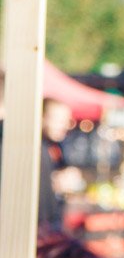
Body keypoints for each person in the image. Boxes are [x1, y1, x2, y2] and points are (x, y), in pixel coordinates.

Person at [39, 99, 78, 232]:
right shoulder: (35, 148)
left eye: (66, 121)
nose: (65, 126)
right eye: (58, 120)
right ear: (41, 118)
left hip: (51, 225)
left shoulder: (56, 146)